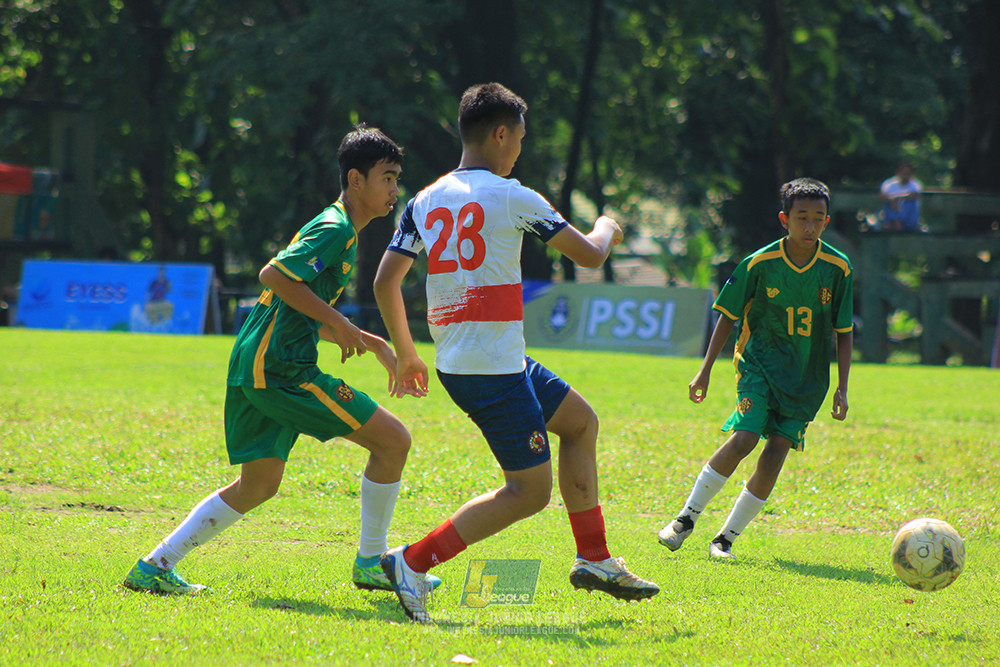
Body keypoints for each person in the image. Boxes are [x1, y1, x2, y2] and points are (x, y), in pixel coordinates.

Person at [373, 82, 659, 624]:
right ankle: (411, 562)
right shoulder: (513, 195)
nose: (520, 150)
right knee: (528, 492)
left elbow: (387, 281)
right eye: (520, 139)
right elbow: (592, 255)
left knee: (579, 423)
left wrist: (407, 353)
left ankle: (594, 557)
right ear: (501, 134)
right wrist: (607, 226)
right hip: (491, 370)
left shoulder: (424, 198)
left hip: (482, 359)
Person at [123, 125, 440, 595]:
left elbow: (294, 306)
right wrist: (342, 324)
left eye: (397, 179)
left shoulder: (339, 230)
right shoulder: (336, 227)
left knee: (259, 484)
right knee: (393, 441)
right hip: (281, 371)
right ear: (356, 180)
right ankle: (372, 562)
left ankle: (155, 564)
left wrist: (369, 342)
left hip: (256, 362)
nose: (395, 190)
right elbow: (273, 276)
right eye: (387, 178)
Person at [657, 177, 854, 560]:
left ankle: (725, 539)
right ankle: (684, 520)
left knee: (777, 450)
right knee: (745, 437)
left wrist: (842, 388)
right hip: (758, 367)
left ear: (827, 221)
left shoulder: (838, 269)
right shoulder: (759, 263)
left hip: (806, 380)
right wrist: (705, 370)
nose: (809, 226)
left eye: (818, 218)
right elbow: (728, 318)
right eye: (802, 218)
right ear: (785, 219)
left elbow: (843, 332)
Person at [879, 162, 922, 232]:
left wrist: (897, 199)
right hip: (892, 210)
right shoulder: (888, 184)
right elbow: (882, 196)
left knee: (909, 203)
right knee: (888, 203)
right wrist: (891, 200)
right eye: (904, 173)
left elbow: (914, 195)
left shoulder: (915, 184)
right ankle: (893, 222)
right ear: (898, 173)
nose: (906, 175)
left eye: (908, 173)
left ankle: (900, 223)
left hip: (908, 216)